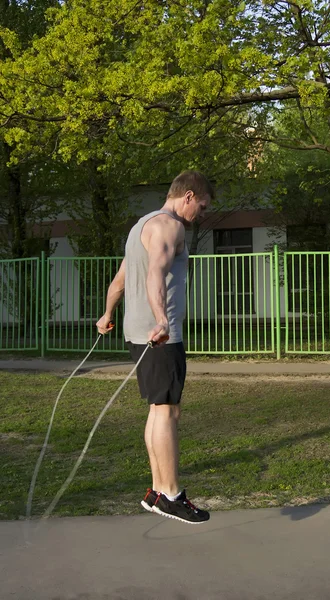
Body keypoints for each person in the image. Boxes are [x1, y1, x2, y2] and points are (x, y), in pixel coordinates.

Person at [96, 170, 214, 524]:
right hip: (159, 335)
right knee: (167, 411)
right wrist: (162, 320)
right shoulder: (170, 226)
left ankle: (157, 491)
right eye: (203, 206)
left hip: (137, 332)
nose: (202, 215)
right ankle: (172, 495)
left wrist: (106, 314)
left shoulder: (140, 226)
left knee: (159, 408)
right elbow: (155, 273)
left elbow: (121, 278)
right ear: (189, 197)